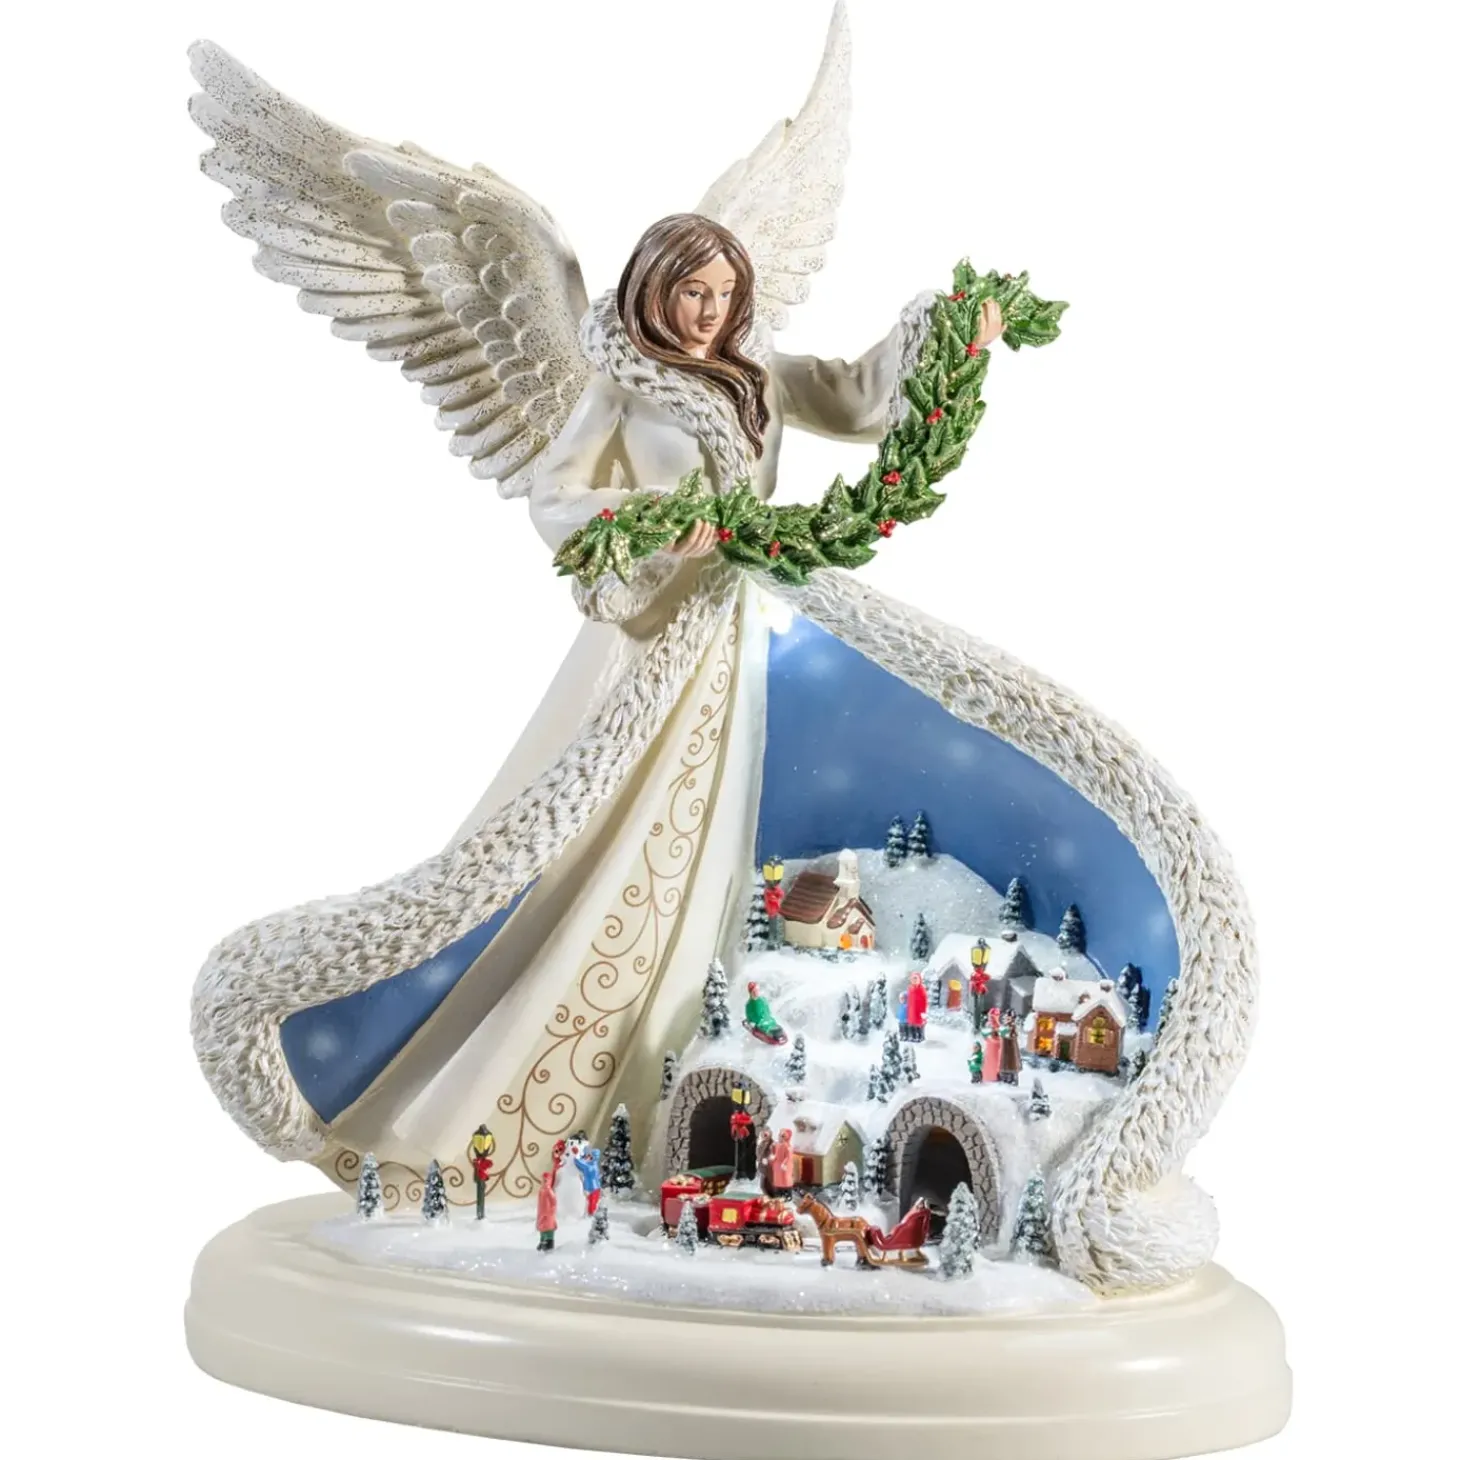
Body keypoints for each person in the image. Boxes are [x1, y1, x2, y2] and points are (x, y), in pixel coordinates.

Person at [467, 1124, 496, 1220]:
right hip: (480, 1176)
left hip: (481, 1177)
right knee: (480, 1189)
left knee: (481, 1188)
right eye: (479, 1141)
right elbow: (486, 1165)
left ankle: (481, 1215)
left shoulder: (480, 1162)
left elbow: (488, 1164)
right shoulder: (479, 1163)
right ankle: (480, 1214)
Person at [536, 1166, 558, 1253]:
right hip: (542, 1214)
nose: (543, 1182)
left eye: (545, 1181)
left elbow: (554, 1202)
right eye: (543, 1180)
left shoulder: (549, 1191)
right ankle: (542, 1241)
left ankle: (548, 1243)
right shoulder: (542, 1191)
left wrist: (550, 1212)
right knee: (542, 1228)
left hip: (548, 1215)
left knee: (548, 1228)